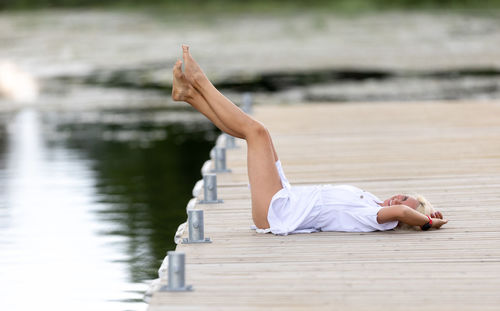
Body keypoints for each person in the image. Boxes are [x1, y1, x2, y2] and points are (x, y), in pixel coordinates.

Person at [172, 45, 448, 235]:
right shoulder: (372, 203)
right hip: (285, 197)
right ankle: (190, 95)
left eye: (403, 203)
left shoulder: (375, 220)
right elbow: (400, 208)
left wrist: (425, 222)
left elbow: (401, 212)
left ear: (403, 219)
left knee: (254, 132)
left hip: (277, 212)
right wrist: (420, 213)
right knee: (261, 134)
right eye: (402, 195)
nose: (396, 199)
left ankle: (200, 82)